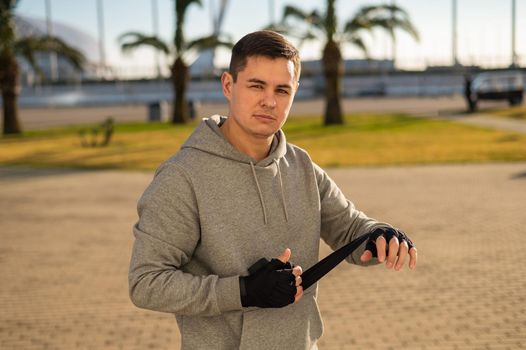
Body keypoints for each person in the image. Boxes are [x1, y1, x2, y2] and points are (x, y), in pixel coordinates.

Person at [129, 30, 418, 350]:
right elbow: (147, 282)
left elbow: (350, 228)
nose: (269, 101)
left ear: (294, 92)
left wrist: (379, 234)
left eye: (282, 89)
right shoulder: (182, 176)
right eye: (256, 85)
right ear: (228, 85)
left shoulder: (302, 167)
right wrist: (242, 291)